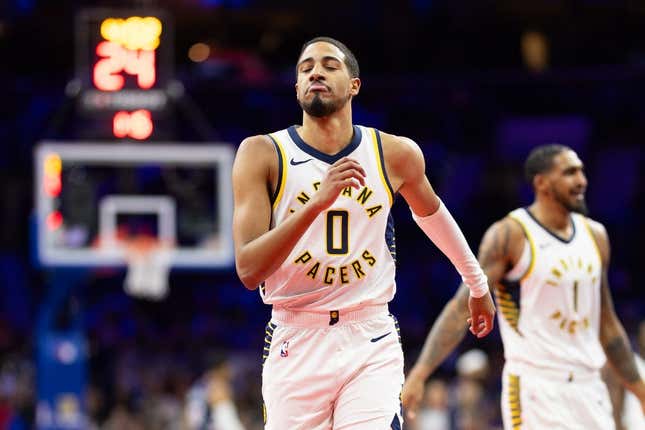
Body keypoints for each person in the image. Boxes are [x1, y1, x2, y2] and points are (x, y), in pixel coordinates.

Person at [232, 36, 496, 429]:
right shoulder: (262, 153)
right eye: (305, 68)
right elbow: (249, 271)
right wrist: (316, 204)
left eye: (328, 65)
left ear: (354, 84)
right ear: (297, 89)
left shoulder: (394, 153)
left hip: (369, 334)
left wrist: (477, 284)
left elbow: (433, 215)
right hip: (296, 334)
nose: (315, 72)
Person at [402, 144, 645, 429]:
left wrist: (640, 390)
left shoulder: (596, 235)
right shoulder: (511, 234)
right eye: (569, 173)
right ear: (542, 183)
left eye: (581, 171)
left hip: (589, 385)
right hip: (535, 387)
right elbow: (461, 307)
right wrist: (420, 372)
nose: (582, 180)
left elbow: (606, 322)